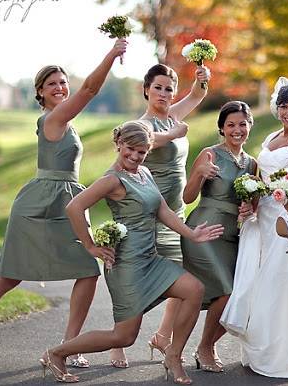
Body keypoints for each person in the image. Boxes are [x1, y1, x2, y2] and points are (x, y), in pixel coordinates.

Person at [0, 39, 127, 365]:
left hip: (67, 200)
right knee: (9, 276)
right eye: (52, 84)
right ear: (41, 92)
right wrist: (111, 54)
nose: (60, 87)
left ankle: (69, 345)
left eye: (63, 82)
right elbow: (89, 89)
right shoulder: (53, 119)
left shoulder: (66, 121)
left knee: (87, 271)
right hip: (39, 204)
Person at [41, 121, 224, 384]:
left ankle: (173, 355)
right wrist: (91, 246)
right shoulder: (111, 180)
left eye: (142, 152)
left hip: (150, 259)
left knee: (194, 289)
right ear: (119, 144)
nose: (135, 156)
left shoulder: (144, 173)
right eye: (130, 149)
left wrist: (192, 233)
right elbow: (74, 207)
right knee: (123, 337)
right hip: (126, 265)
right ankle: (56, 353)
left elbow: (162, 210)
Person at [220, 78, 288, 378]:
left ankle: (284, 356)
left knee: (279, 278)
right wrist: (251, 197)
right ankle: (260, 349)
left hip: (286, 212)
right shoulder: (271, 137)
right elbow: (261, 175)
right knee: (259, 279)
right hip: (262, 215)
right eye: (283, 106)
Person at [110, 63, 210, 365]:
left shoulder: (174, 115)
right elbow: (148, 140)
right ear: (146, 89)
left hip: (175, 210)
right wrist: (174, 133)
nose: (164, 93)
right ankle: (118, 341)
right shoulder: (141, 124)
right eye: (158, 88)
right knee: (139, 279)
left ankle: (162, 337)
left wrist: (202, 79)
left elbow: (196, 96)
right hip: (147, 213)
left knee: (179, 277)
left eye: (169, 88)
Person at [181, 101, 257, 372]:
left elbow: (253, 204)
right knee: (225, 291)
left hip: (234, 234)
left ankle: (196, 345)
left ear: (250, 126)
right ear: (222, 129)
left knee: (238, 294)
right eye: (231, 125)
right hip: (204, 230)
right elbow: (188, 197)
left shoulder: (252, 164)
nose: (237, 130)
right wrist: (199, 175)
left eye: (242, 124)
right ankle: (205, 347)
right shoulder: (209, 154)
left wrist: (250, 208)